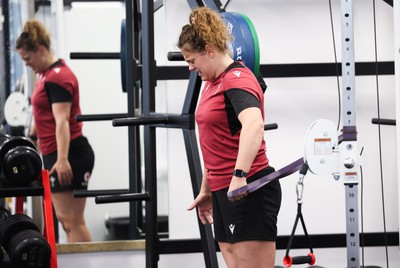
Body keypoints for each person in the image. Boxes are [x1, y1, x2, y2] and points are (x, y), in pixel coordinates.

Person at [179, 7, 282, 268]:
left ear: (210, 50)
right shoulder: (212, 83)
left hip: (248, 189)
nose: (190, 68)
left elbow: (254, 125)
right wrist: (207, 189)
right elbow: (214, 143)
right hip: (223, 190)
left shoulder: (236, 80)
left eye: (192, 60)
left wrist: (239, 175)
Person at [16, 19, 94, 243]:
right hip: (55, 153)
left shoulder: (58, 77)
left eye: (28, 58)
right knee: (64, 218)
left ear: (40, 49)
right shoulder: (46, 74)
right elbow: (44, 113)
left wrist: (61, 159)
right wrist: (32, 137)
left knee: (72, 220)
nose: (27, 64)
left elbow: (62, 121)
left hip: (68, 154)